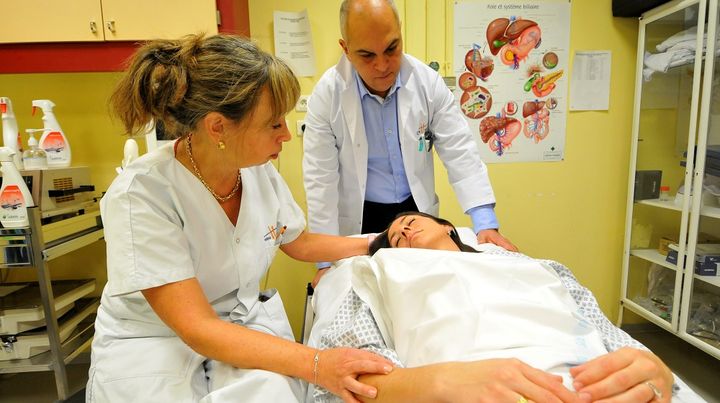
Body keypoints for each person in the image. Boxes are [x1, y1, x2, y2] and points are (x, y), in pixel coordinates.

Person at [86, 34, 394, 403]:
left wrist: (383, 241)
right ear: (218, 127)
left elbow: (297, 242)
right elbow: (197, 327)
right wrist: (318, 364)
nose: (286, 135)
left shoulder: (255, 169)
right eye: (273, 123)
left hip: (241, 325)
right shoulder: (141, 195)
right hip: (152, 343)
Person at [309, 211, 702, 403]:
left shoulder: (536, 267)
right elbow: (350, 372)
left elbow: (607, 333)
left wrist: (657, 375)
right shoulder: (380, 270)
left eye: (410, 221)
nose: (404, 231)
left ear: (449, 227)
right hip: (470, 384)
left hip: (581, 384)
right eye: (395, 236)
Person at [302, 0, 517, 276]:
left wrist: (485, 223)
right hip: (359, 218)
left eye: (392, 48)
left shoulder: (427, 83)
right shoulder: (327, 96)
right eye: (367, 55)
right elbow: (320, 182)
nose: (382, 65)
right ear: (346, 49)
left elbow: (460, 152)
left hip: (416, 212)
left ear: (400, 33)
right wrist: (324, 263)